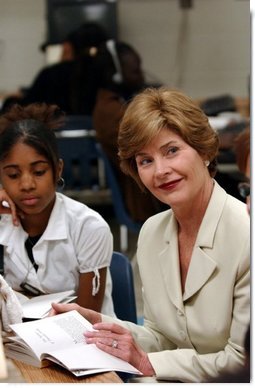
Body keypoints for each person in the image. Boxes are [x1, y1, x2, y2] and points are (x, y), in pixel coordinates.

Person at [50, 87, 250, 382]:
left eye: (172, 151)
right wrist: (99, 325)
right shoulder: (152, 232)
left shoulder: (246, 234)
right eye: (145, 160)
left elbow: (243, 361)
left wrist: (146, 363)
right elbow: (162, 337)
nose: (160, 171)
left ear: (205, 150)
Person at [0, 102, 115, 316]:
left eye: (39, 172)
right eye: (13, 175)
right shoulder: (2, 221)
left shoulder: (89, 227)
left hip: (81, 339)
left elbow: (86, 317)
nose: (27, 185)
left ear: (57, 169)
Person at [93, 41, 167, 222]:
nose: (142, 75)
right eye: (135, 71)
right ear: (116, 75)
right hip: (148, 201)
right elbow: (158, 141)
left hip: (153, 193)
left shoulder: (117, 104)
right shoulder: (113, 112)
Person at [1, 23, 109, 115]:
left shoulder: (51, 74)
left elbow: (29, 105)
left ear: (68, 47)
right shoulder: (108, 76)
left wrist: (11, 100)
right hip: (98, 138)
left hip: (52, 137)